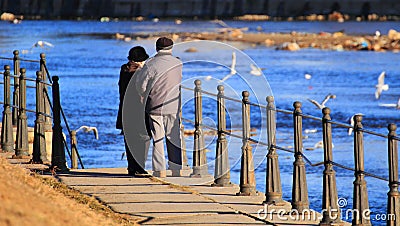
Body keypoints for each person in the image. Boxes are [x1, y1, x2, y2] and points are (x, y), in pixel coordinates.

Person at [135, 37, 183, 178]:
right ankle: (176, 168)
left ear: (156, 48)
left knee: (157, 138)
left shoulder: (150, 64)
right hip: (174, 105)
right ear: (171, 48)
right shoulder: (178, 63)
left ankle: (159, 170)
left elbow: (141, 86)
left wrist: (145, 94)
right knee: (174, 137)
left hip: (155, 105)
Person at [116, 46, 150, 177]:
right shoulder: (140, 72)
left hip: (125, 110)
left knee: (129, 139)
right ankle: (139, 166)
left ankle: (132, 167)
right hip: (138, 110)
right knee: (142, 139)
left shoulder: (124, 69)